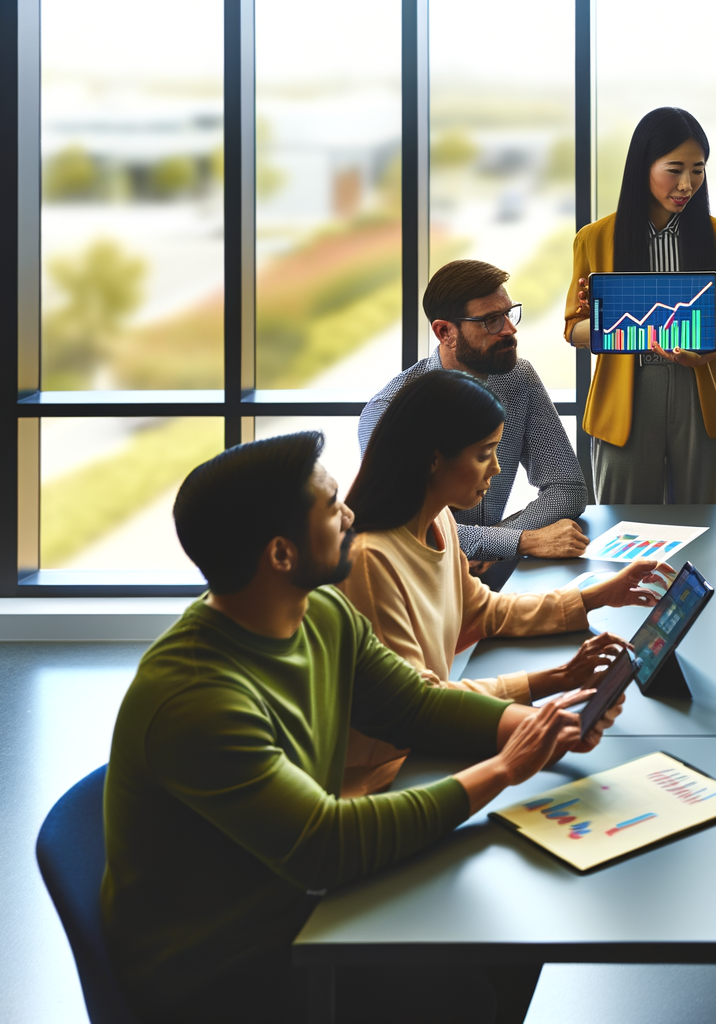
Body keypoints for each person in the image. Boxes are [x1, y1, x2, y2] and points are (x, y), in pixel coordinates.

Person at [102, 432, 623, 1024]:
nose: (350, 514)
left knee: (508, 936)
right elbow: (326, 846)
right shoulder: (198, 699)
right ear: (281, 554)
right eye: (330, 507)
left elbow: (416, 707)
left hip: (295, 902)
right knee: (465, 992)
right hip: (221, 969)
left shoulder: (319, 611)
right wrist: (505, 767)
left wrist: (535, 726)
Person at [340, 368, 673, 797]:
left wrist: (596, 595)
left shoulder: (439, 518)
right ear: (433, 457)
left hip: (430, 752)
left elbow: (483, 611)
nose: (497, 468)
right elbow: (421, 705)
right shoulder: (370, 560)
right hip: (388, 776)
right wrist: (550, 684)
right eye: (484, 453)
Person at [562, 107, 716, 503]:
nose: (686, 184)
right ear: (642, 167)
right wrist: (602, 317)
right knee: (624, 527)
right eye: (674, 169)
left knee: (705, 524)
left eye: (697, 170)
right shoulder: (596, 239)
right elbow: (573, 330)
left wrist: (705, 355)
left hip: (698, 393)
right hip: (626, 394)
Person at [362, 259, 589, 576]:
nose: (510, 330)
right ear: (445, 332)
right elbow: (403, 524)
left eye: (509, 313)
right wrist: (516, 542)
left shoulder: (517, 377)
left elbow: (567, 487)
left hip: (487, 577)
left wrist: (495, 543)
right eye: (491, 321)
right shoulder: (389, 411)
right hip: (419, 580)